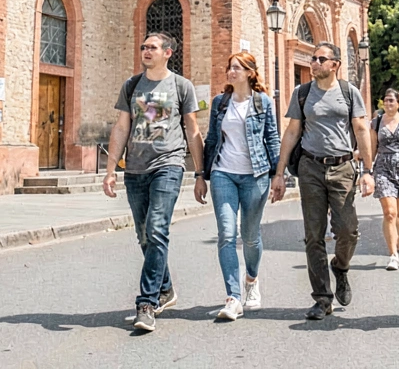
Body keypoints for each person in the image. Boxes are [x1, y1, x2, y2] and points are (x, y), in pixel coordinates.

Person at [103, 32, 203, 333]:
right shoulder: (131, 85)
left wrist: (200, 174)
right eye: (144, 47)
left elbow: (193, 130)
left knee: (157, 228)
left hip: (168, 165)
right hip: (135, 170)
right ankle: (167, 288)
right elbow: (121, 127)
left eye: (152, 47)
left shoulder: (181, 86)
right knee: (145, 235)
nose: (146, 51)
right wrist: (110, 169)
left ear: (168, 53)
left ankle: (146, 303)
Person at [269, 42, 374, 321]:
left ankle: (340, 267)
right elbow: (292, 132)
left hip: (342, 169)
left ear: (335, 64)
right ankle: (322, 298)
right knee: (313, 235)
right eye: (313, 58)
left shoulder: (349, 93)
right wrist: (279, 174)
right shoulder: (302, 93)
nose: (314, 63)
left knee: (347, 230)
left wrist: (367, 170)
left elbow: (361, 129)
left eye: (320, 59)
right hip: (310, 168)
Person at [195, 52, 279, 321]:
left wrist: (279, 175)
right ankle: (233, 297)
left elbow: (272, 139)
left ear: (249, 73)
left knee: (251, 236)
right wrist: (201, 176)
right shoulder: (221, 102)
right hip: (224, 174)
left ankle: (251, 280)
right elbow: (211, 139)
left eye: (236, 68)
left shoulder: (262, 102)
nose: (230, 72)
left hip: (256, 175)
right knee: (227, 234)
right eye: (229, 67)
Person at [371, 88, 399, 271]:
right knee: (390, 213)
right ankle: (393, 255)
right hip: (383, 168)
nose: (388, 104)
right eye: (385, 100)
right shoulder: (376, 121)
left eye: (391, 101)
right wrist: (366, 171)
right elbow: (372, 147)